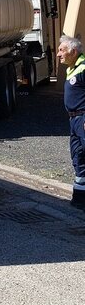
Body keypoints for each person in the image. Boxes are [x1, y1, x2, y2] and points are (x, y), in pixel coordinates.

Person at [57, 35, 85, 210]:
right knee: (78, 158)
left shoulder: (83, 69)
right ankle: (80, 199)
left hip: (82, 119)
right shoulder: (72, 68)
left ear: (73, 52)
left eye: (62, 50)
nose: (59, 54)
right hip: (74, 120)